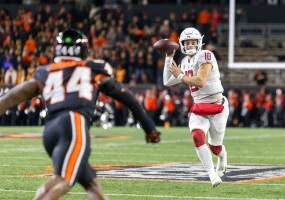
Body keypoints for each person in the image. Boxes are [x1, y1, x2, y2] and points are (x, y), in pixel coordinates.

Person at [0, 29, 160, 200]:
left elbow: (11, 97)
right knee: (63, 181)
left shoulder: (46, 71)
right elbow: (129, 100)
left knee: (91, 183)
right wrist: (150, 128)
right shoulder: (93, 69)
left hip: (50, 131)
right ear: (83, 49)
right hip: (73, 125)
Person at [163, 27, 229, 187]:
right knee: (197, 137)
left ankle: (223, 156)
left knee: (215, 147)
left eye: (194, 41)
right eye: (188, 42)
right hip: (200, 107)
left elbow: (201, 81)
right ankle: (212, 175)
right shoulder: (184, 62)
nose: (191, 44)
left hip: (217, 107)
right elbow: (167, 81)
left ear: (199, 42)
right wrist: (168, 58)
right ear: (182, 44)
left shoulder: (206, 55)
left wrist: (180, 75)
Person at [91, 59, 161, 142]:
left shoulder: (86, 65)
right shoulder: (94, 64)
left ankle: (151, 131)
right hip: (101, 81)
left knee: (86, 108)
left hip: (97, 82)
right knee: (134, 104)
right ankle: (151, 131)